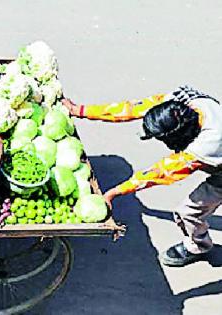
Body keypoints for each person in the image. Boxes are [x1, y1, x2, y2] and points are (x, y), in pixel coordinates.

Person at [62, 85, 222, 267]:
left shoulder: (205, 147)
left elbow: (158, 173)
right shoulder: (179, 103)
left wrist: (112, 193)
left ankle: (198, 247)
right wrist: (80, 111)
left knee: (188, 213)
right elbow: (129, 108)